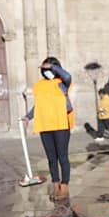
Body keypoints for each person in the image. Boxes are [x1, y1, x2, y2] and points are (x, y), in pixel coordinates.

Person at [22, 57, 74, 202]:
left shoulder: (62, 83)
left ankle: (65, 187)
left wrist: (52, 66)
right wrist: (27, 117)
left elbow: (68, 76)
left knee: (62, 157)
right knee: (51, 158)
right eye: (45, 70)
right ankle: (55, 185)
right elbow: (38, 105)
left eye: (49, 70)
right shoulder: (39, 85)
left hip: (60, 124)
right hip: (45, 125)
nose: (47, 72)